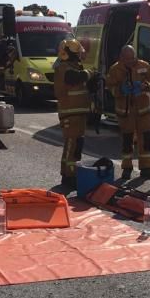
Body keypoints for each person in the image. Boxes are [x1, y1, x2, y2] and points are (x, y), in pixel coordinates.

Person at [107, 44, 150, 179]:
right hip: (126, 111)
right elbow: (110, 87)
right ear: (121, 58)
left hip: (143, 109)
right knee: (127, 140)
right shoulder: (115, 69)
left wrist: (145, 85)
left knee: (145, 138)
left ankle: (146, 168)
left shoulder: (143, 65)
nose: (131, 62)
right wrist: (121, 90)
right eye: (127, 60)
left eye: (133, 59)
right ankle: (127, 168)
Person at [53, 38, 92, 188]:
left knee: (75, 145)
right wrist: (89, 73)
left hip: (78, 113)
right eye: (77, 53)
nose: (79, 56)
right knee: (72, 145)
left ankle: (69, 173)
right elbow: (75, 77)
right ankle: (69, 176)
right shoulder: (64, 69)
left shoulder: (72, 67)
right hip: (70, 113)